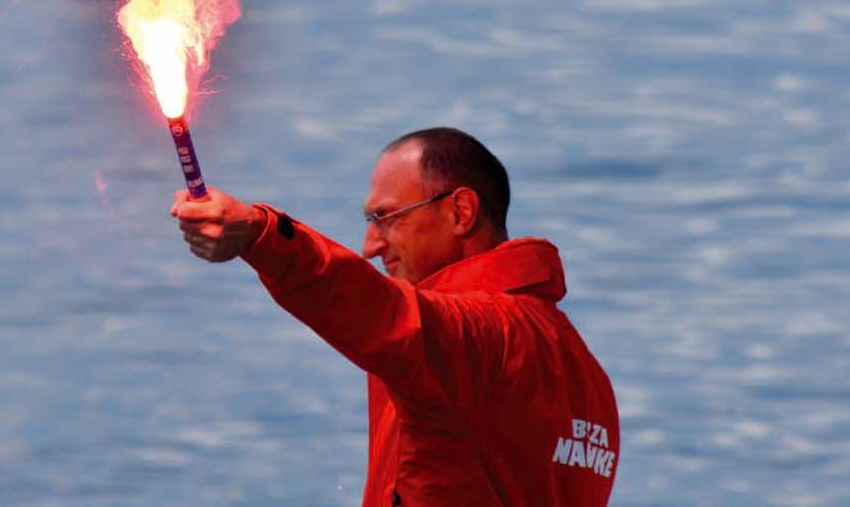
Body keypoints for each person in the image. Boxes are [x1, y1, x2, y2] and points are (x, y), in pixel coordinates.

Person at [171, 127, 619, 506]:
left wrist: (260, 234)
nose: (370, 245)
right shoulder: (587, 378)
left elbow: (374, 309)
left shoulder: (478, 337)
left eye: (386, 218)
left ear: (460, 212)